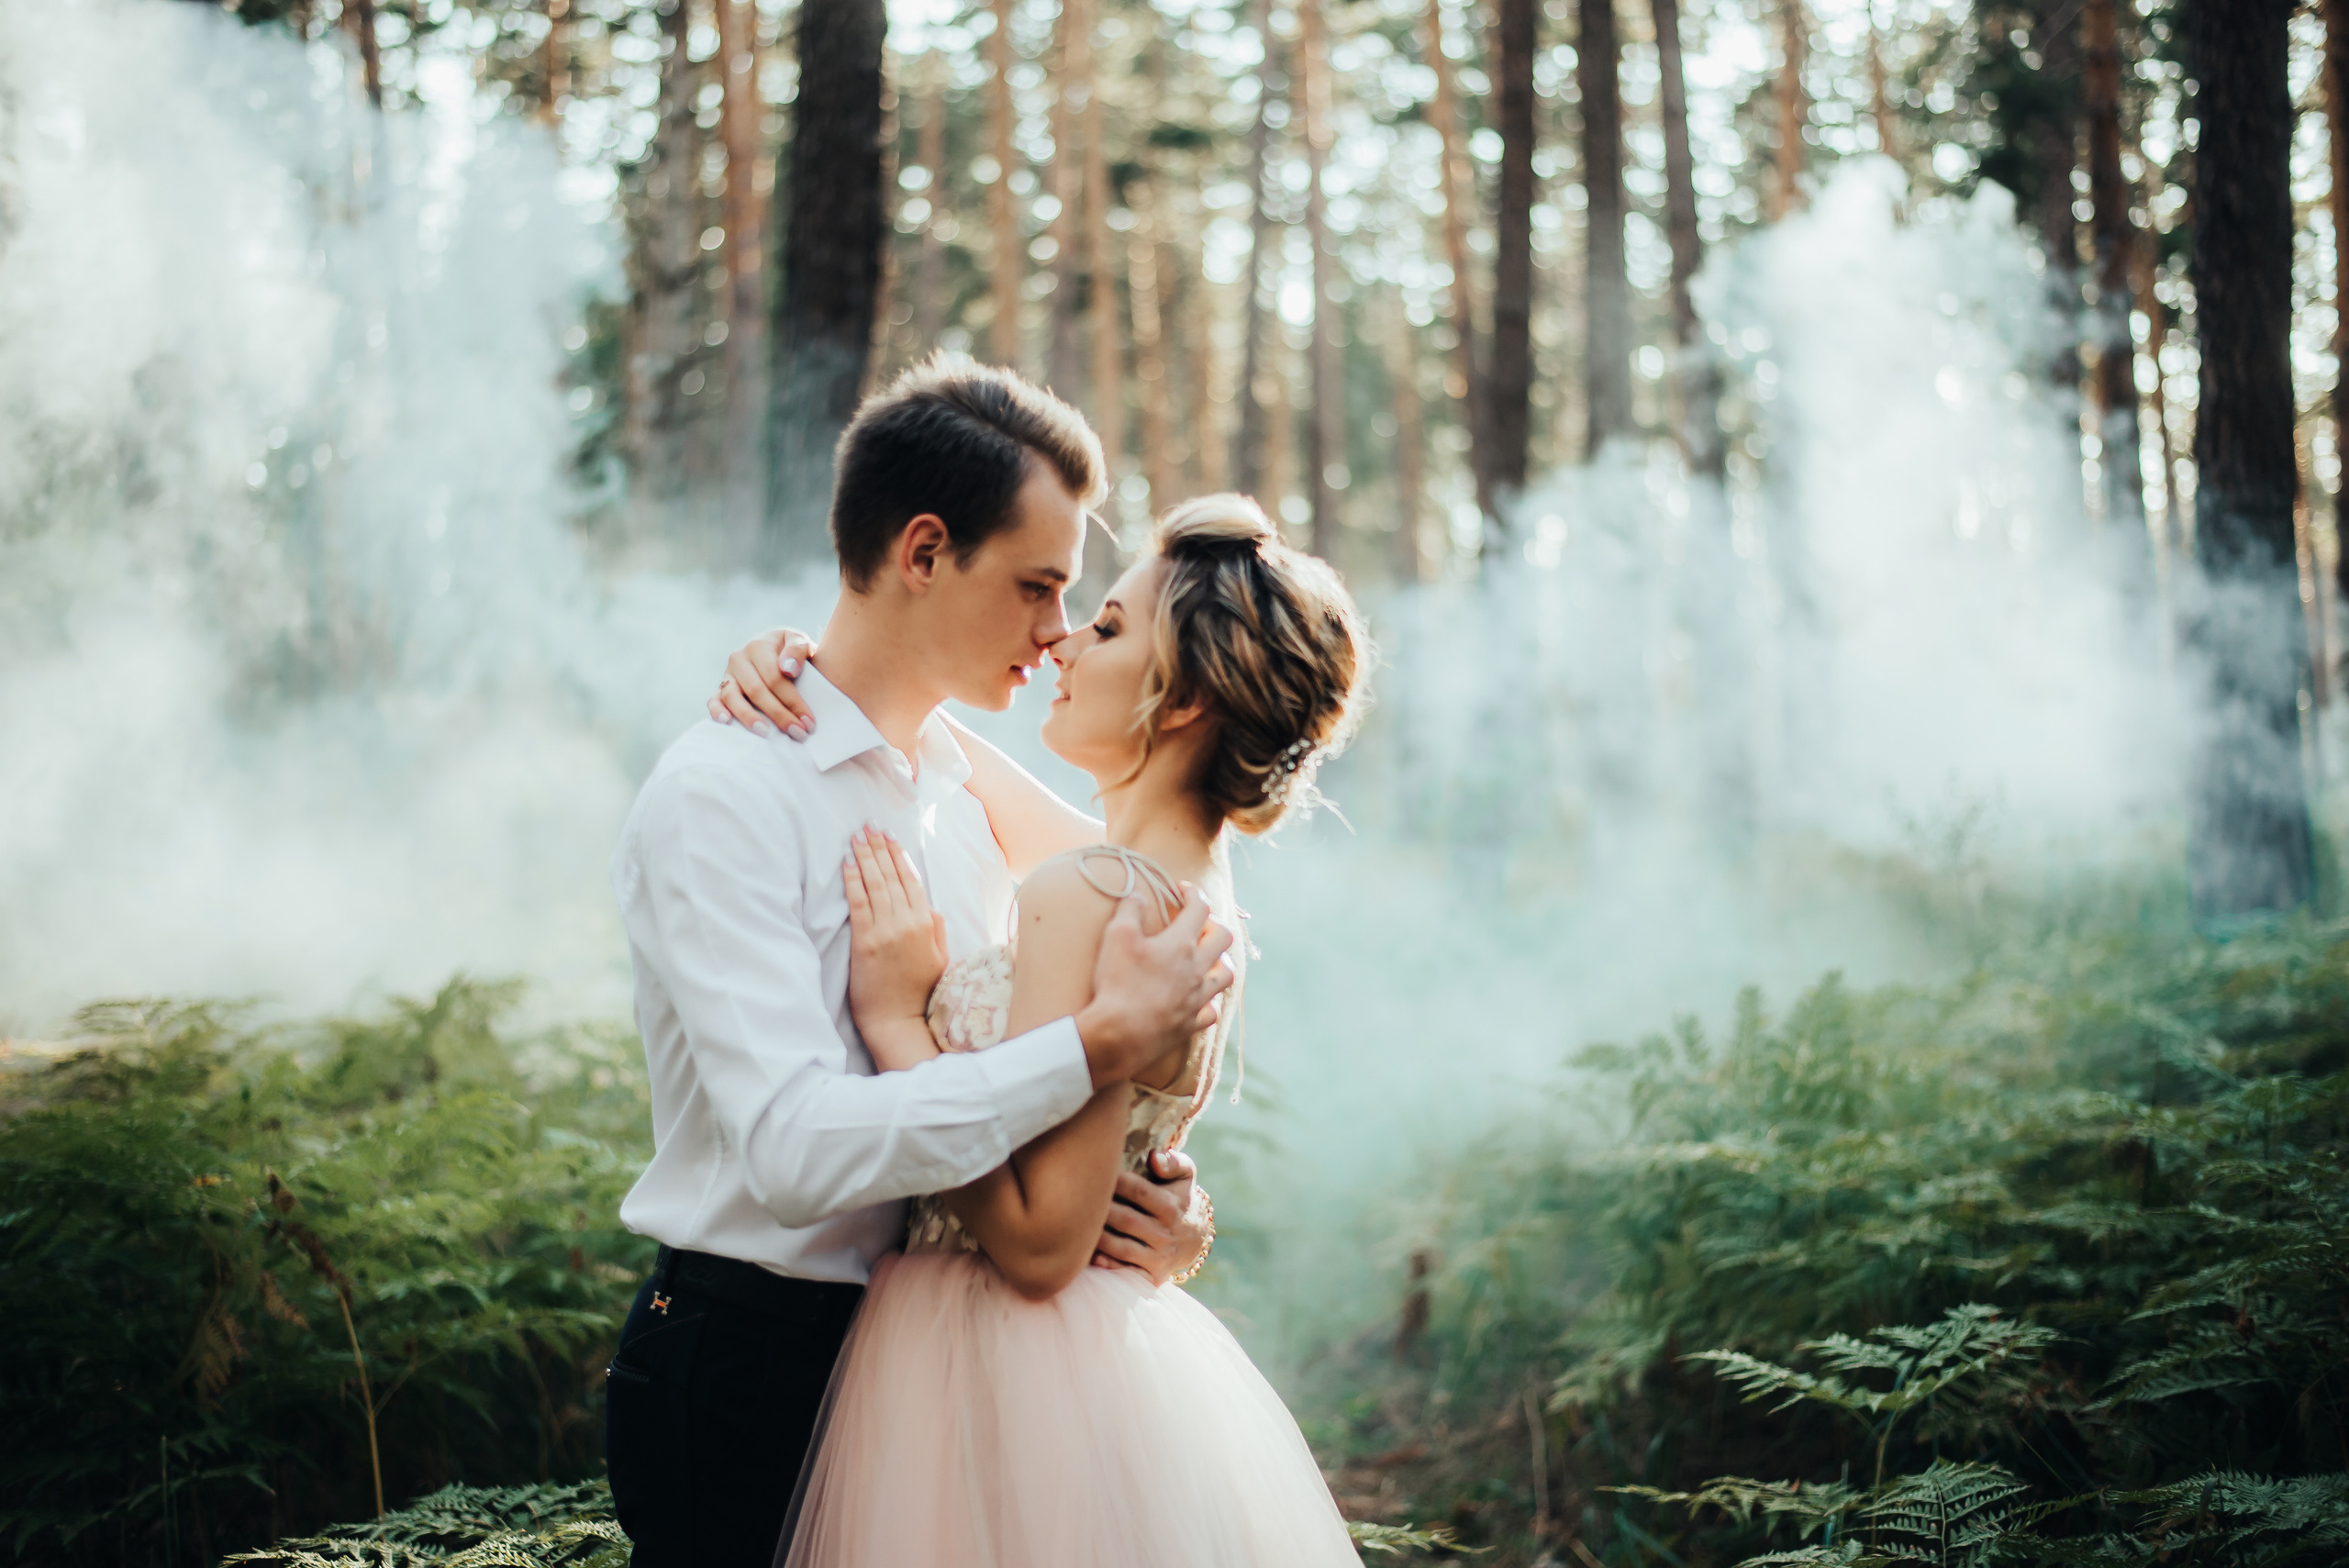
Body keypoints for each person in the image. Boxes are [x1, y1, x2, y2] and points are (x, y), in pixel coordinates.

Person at [605, 354, 1233, 1568]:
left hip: (944, 1358)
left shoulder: (957, 788)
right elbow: (790, 1149)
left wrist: (1156, 1203)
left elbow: (1166, 905)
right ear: (925, 550)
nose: (1058, 634)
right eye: (1039, 586)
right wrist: (1091, 1048)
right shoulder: (725, 794)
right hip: (750, 1358)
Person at [715, 495, 1371, 1566]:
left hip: (991, 1349)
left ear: (1185, 695)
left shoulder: (1087, 890)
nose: (1066, 638)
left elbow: (1036, 1240)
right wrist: (803, 659)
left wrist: (897, 1021)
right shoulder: (1191, 896)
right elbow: (948, 748)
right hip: (1096, 1364)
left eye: (1107, 628)